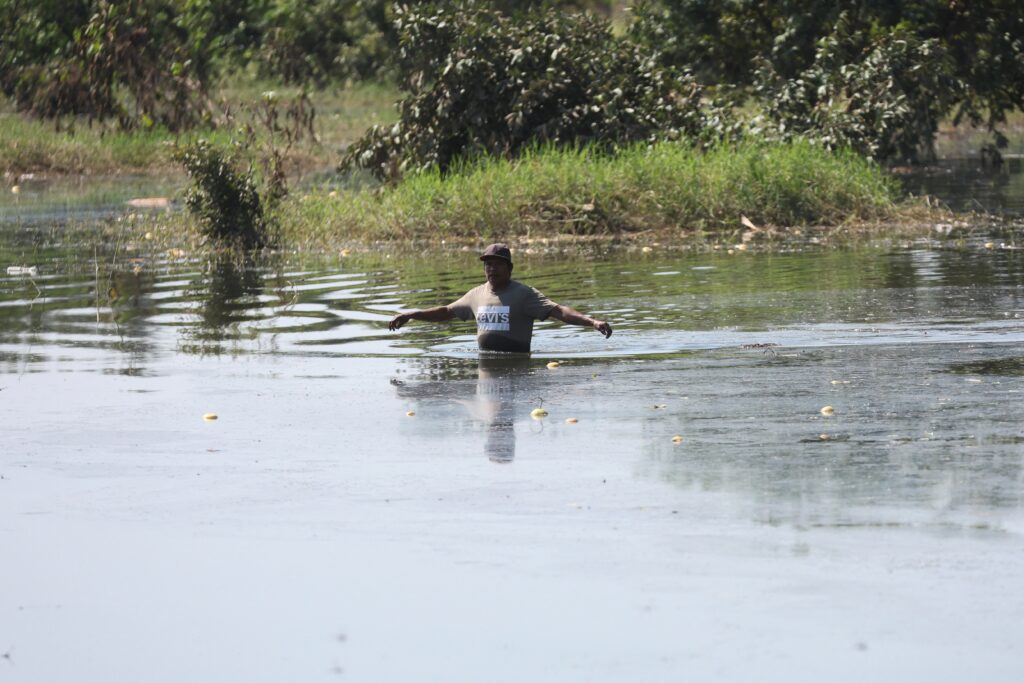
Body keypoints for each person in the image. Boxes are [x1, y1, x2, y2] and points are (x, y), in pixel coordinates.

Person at [388, 243, 613, 353]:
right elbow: (446, 312)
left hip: (517, 364)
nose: (492, 270)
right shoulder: (476, 295)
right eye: (488, 265)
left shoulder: (524, 294)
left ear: (509, 268)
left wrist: (592, 321)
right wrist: (412, 314)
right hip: (485, 364)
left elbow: (559, 311)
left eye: (497, 265)